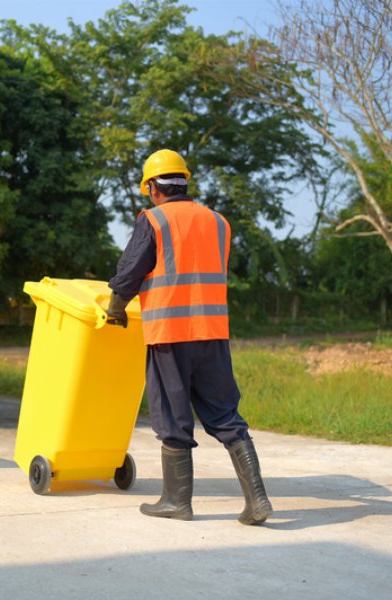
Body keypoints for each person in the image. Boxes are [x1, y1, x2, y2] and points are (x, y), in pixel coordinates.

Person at [106, 149, 273, 525]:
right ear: (184, 181)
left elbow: (132, 268)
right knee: (226, 415)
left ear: (152, 187)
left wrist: (116, 305)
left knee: (172, 416)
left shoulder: (154, 220)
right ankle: (257, 500)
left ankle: (176, 502)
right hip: (212, 333)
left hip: (170, 332)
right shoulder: (218, 222)